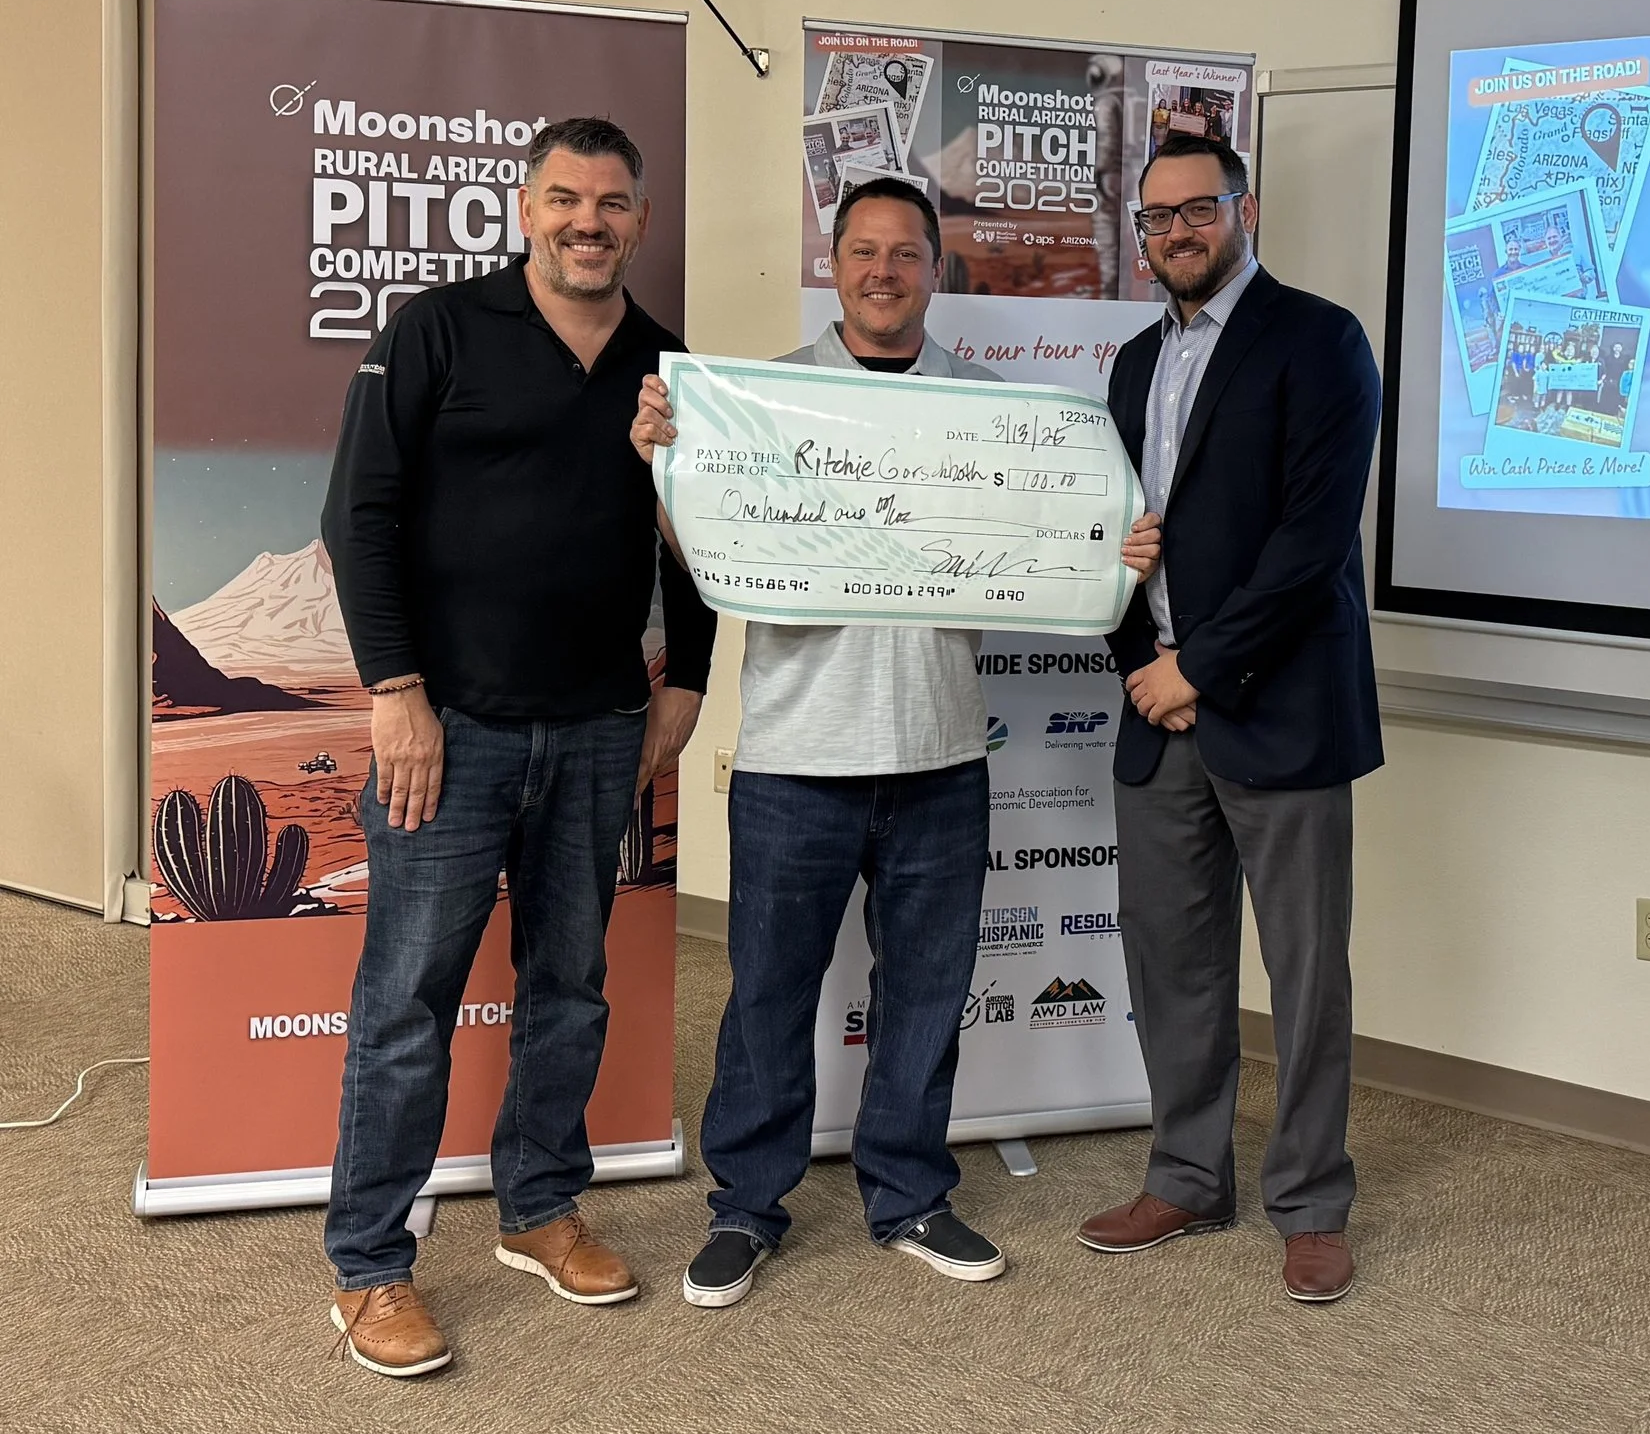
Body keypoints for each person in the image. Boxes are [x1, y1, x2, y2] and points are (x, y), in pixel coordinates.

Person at [628, 177, 1160, 1307]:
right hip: (792, 759)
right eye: (862, 251)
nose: (883, 271)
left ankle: (910, 1192)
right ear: (835, 263)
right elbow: (711, 552)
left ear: (935, 270)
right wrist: (665, 471)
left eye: (906, 253)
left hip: (940, 757)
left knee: (927, 992)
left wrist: (1115, 551)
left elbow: (1060, 549)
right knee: (769, 993)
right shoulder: (760, 401)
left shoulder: (987, 410)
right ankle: (745, 1207)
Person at [320, 117, 715, 1379]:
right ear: (525, 207)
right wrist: (396, 689)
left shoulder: (671, 367)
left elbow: (705, 533)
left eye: (611, 202)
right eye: (564, 198)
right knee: (405, 1004)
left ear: (639, 222)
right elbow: (358, 514)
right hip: (451, 730)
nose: (587, 221)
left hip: (602, 722)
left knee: (569, 986)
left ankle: (538, 1206)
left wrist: (688, 678)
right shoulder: (439, 331)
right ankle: (371, 1266)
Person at [1075, 131, 1383, 1307]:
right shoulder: (1130, 365)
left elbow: (1309, 547)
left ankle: (1311, 1201)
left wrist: (1194, 667)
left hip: (1278, 713)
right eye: (1155, 220)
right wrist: (1135, 657)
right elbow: (1117, 532)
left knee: (1305, 977)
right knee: (1172, 967)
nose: (1175, 234)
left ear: (1243, 209)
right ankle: (1189, 1176)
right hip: (1156, 712)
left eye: (1196, 210)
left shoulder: (1320, 340)